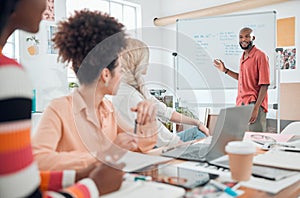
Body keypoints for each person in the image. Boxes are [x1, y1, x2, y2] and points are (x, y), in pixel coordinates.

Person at [0, 0, 125, 197]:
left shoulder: (109, 110)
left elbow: (15, 183)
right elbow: (24, 184)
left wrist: (78, 177)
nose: (46, 3)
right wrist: (93, 185)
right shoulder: (8, 76)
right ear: (105, 74)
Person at [32, 10, 158, 171]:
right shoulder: (58, 109)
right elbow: (39, 160)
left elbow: (141, 146)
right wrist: (103, 155)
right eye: (120, 70)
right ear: (106, 74)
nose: (122, 75)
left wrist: (147, 121)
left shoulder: (108, 110)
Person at [112, 38, 209, 148]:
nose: (148, 63)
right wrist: (187, 147)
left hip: (159, 142)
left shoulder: (138, 87)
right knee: (200, 141)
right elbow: (160, 136)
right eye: (146, 59)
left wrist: (198, 123)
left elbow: (166, 112)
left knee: (198, 132)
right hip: (153, 147)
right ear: (137, 62)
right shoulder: (128, 96)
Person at [213, 27, 270, 132]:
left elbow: (265, 84)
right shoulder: (243, 57)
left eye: (247, 36)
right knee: (242, 140)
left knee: (255, 141)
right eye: (241, 37)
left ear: (253, 38)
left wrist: (256, 108)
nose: (243, 39)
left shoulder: (260, 56)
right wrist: (225, 70)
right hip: (241, 103)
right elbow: (243, 78)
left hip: (254, 104)